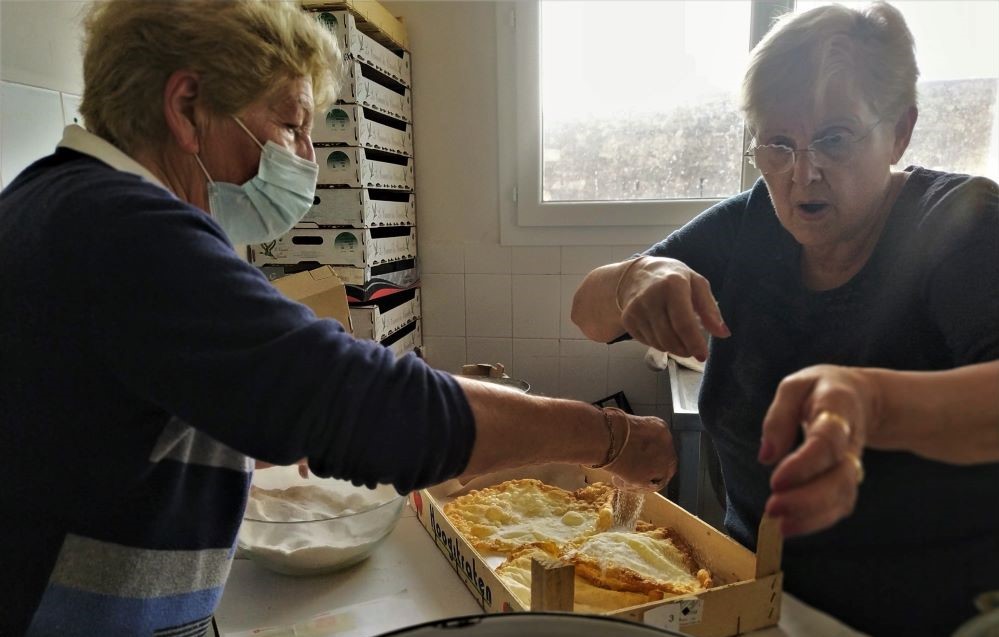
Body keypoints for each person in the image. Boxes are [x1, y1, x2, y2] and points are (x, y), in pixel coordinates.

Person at [0, 2, 675, 634]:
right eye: (291, 125)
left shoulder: (53, 202)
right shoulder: (125, 232)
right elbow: (371, 405)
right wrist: (609, 437)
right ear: (186, 106)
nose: (306, 157)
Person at [572, 3, 999, 636]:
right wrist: (633, 276)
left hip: (936, 617)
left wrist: (874, 404)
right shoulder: (751, 224)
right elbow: (588, 315)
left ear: (900, 132)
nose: (803, 173)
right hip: (753, 594)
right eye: (777, 144)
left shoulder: (963, 224)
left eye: (835, 138)